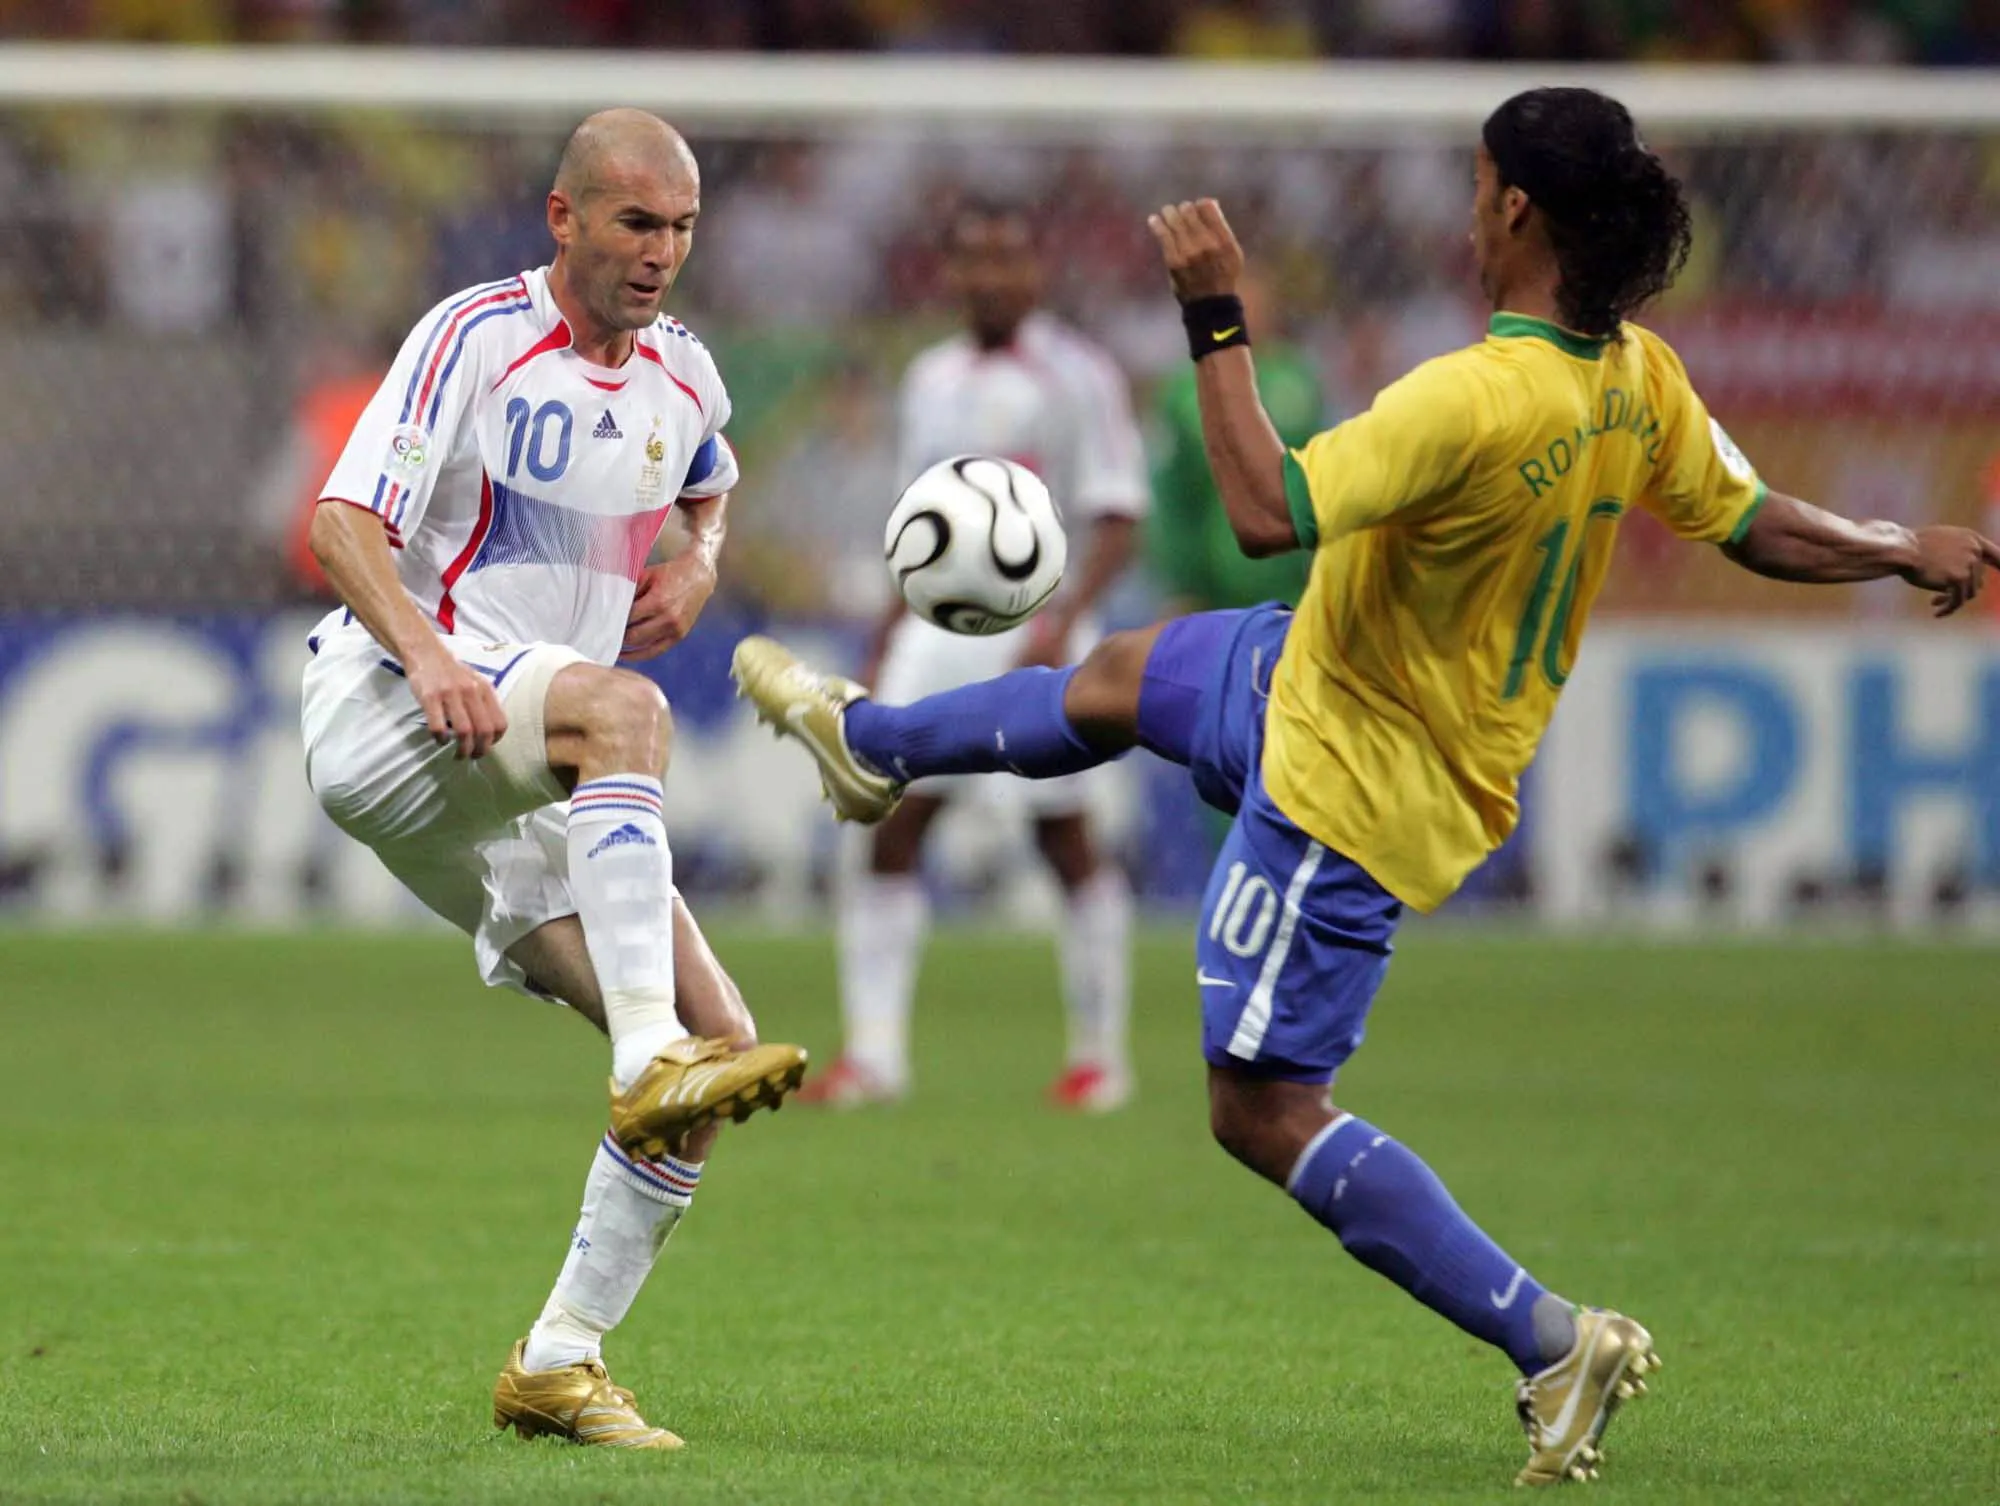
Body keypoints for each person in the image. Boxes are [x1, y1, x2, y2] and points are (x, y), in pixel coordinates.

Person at [733, 87, 2000, 1486]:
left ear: (1513, 206)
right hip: (1312, 672)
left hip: (1355, 777)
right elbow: (1754, 521)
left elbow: (1268, 509)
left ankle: (1552, 1340)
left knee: (1260, 1105)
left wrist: (1215, 319)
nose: (1464, 209)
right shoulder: (1636, 377)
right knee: (1112, 679)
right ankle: (880, 746)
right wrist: (1894, 544)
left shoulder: (1474, 395)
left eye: (1473, 183)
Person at [301, 109, 810, 1451]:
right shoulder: (471, 336)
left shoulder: (687, 376)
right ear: (564, 217)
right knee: (626, 711)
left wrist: (700, 557)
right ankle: (643, 1054)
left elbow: (709, 484)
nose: (662, 254)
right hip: (390, 718)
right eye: (638, 223)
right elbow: (343, 522)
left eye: (684, 229)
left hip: (522, 771)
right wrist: (425, 661)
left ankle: (559, 1358)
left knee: (723, 1048)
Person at [800, 195, 1151, 1113]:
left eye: (1009, 258)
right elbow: (915, 525)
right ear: (950, 273)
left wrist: (1064, 618)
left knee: (1061, 834)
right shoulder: (931, 378)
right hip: (936, 632)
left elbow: (1118, 515)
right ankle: (876, 1056)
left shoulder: (1080, 375)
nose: (991, 277)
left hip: (1041, 626)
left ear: (1038, 269)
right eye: (974, 260)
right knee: (891, 819)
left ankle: (1099, 1057)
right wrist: (883, 638)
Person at [1146, 264, 1319, 612]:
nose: (1248, 315)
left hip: (1293, 588)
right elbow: (1171, 494)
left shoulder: (1299, 381)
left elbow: (1321, 478)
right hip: (1209, 594)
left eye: (1256, 304)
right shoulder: (1182, 391)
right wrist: (1182, 581)